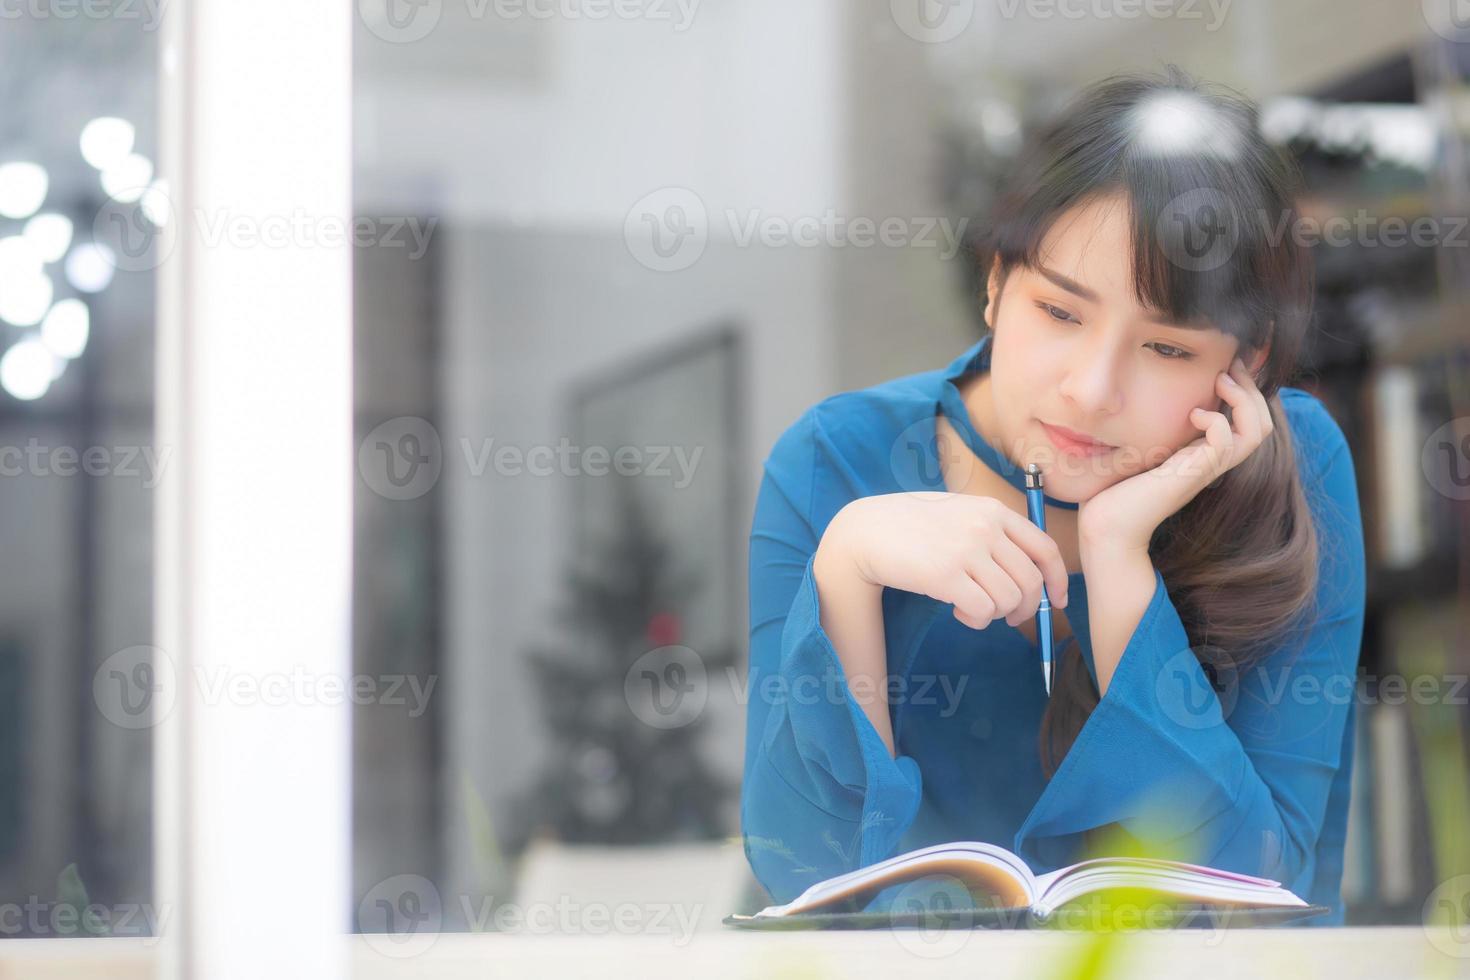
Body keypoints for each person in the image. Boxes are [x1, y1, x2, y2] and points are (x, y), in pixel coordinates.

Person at [740, 66, 1366, 925]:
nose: (1091, 389)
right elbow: (796, 873)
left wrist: (1119, 564)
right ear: (997, 284)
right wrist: (846, 571)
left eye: (1168, 350)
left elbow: (1263, 892)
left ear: (1245, 364)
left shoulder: (1295, 467)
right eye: (1061, 313)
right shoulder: (834, 462)